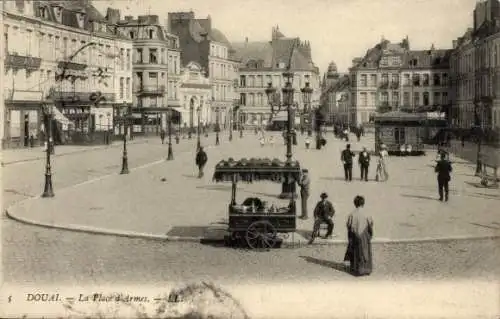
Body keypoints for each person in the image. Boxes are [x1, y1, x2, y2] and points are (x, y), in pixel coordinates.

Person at [344, 195, 374, 276]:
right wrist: (370, 234)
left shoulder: (352, 214)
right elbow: (371, 224)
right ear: (363, 203)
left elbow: (348, 225)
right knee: (365, 251)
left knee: (356, 252)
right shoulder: (367, 213)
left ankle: (356, 269)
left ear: (355, 203)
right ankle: (367, 269)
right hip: (364, 234)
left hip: (355, 235)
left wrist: (351, 234)